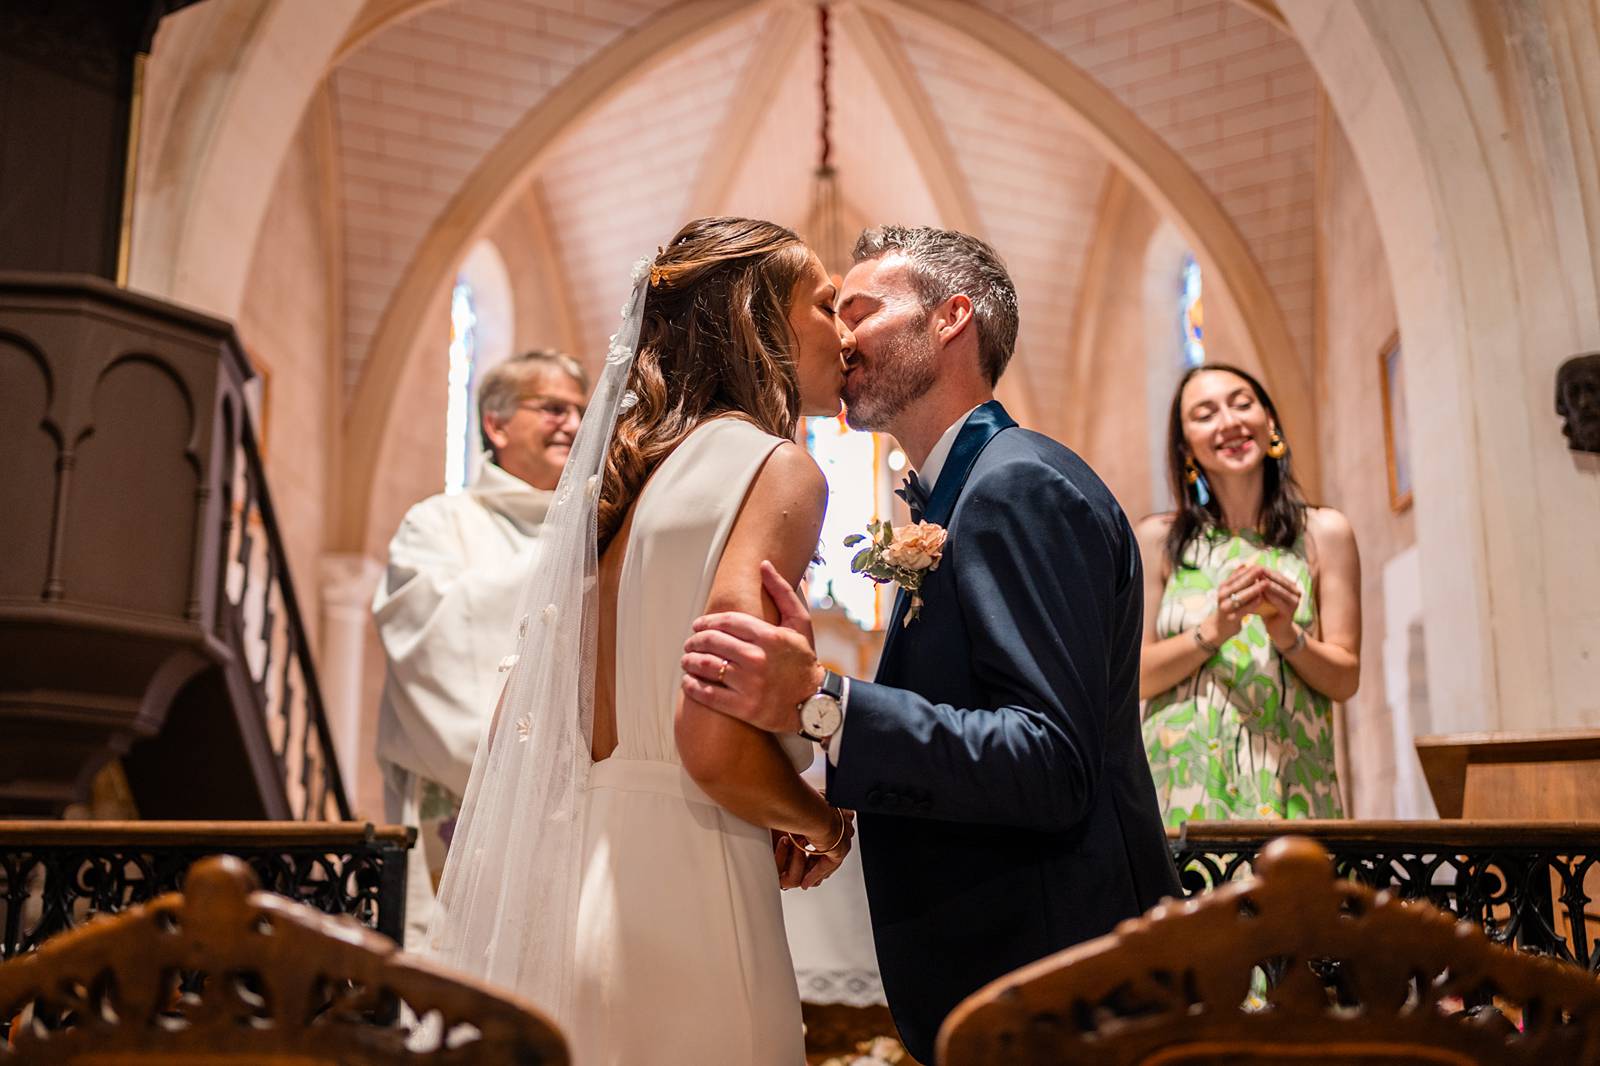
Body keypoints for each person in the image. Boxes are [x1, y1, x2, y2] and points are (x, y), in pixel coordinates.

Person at [679, 225, 1181, 1063]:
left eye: (863, 310)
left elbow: (1050, 762)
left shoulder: (1017, 484)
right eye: (832, 313)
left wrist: (826, 705)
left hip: (1064, 984)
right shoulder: (960, 496)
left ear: (951, 319)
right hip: (1016, 980)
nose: (840, 335)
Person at [425, 218, 857, 1066]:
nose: (845, 333)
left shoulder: (627, 479)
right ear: (758, 317)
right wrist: (824, 825)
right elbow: (712, 738)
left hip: (577, 892)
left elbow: (533, 719)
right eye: (827, 304)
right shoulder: (778, 470)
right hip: (689, 898)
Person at [371, 349, 587, 947]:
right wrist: (567, 564)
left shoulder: (602, 525)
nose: (572, 423)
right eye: (551, 408)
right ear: (495, 424)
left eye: (580, 409)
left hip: (578, 800)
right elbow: (434, 640)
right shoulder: (437, 523)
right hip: (458, 797)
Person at [1134, 363, 1360, 825]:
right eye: (1205, 414)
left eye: (1242, 404)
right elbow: (1134, 678)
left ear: (1270, 423)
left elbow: (1345, 679)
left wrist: (1286, 633)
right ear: (1185, 447)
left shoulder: (1323, 532)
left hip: (1291, 784)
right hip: (1182, 791)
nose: (1230, 422)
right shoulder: (1157, 539)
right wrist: (1213, 630)